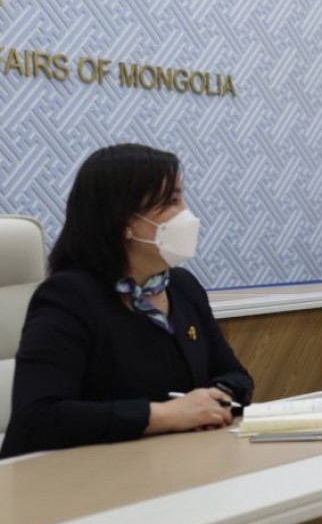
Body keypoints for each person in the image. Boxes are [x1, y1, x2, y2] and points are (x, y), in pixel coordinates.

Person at [0, 144, 254, 458]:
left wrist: (217, 397)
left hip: (168, 462)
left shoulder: (183, 287)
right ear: (125, 221)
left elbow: (236, 376)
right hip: (71, 475)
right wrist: (166, 414)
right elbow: (39, 418)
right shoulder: (69, 296)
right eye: (171, 201)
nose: (187, 214)